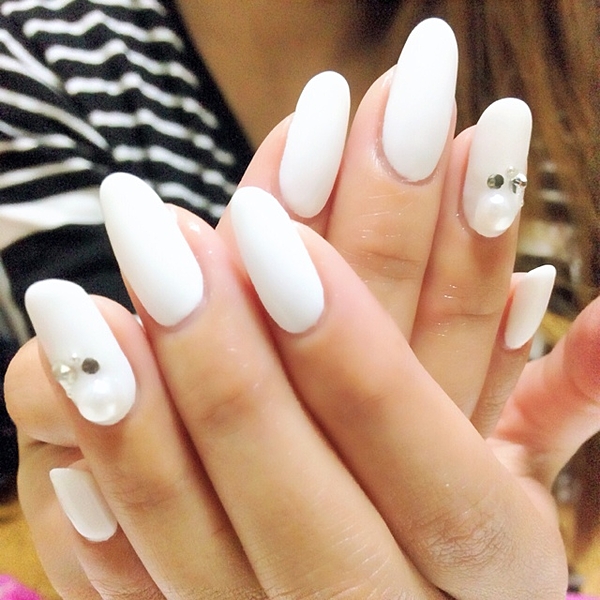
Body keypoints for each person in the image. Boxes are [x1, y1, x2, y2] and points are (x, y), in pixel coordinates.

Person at [0, 0, 598, 597]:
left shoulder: (570, 74)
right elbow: (130, 448)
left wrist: (515, 526)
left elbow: (541, 490)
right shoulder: (43, 58)